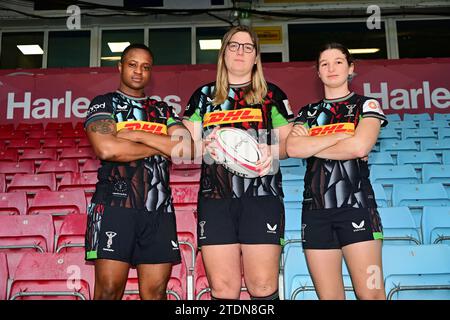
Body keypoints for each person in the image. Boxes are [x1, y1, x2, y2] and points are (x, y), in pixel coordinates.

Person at [183, 25, 294, 300]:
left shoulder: (272, 95)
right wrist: (198, 148)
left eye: (247, 47)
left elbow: (291, 144)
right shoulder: (203, 96)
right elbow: (181, 145)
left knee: (263, 287)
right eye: (233, 45)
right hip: (215, 199)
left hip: (262, 197)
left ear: (256, 56)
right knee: (223, 289)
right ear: (223, 53)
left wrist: (275, 150)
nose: (240, 51)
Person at [84, 43, 193, 300]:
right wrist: (159, 146)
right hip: (114, 206)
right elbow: (108, 149)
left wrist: (135, 134)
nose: (138, 71)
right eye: (132, 64)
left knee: (155, 293)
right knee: (109, 291)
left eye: (145, 67)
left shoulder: (163, 110)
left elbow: (186, 149)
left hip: (158, 210)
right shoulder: (104, 103)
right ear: (120, 67)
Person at [286, 42, 387, 300]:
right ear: (318, 72)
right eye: (324, 64)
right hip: (315, 213)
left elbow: (359, 146)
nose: (331, 68)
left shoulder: (368, 106)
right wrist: (341, 135)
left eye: (338, 62)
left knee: (371, 295)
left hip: (357, 208)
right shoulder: (307, 113)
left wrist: (312, 145)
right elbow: (294, 148)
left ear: (350, 68)